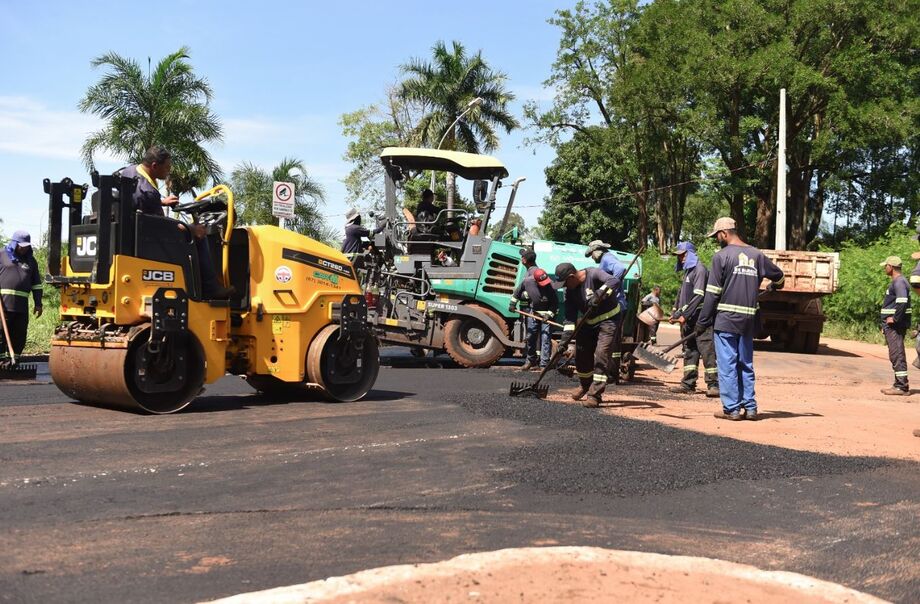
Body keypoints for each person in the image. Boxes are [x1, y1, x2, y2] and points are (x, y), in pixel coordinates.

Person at [697, 217, 784, 421]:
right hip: (748, 321)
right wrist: (775, 286)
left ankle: (732, 409)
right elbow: (779, 277)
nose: (717, 239)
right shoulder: (757, 255)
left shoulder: (721, 257)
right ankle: (750, 408)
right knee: (745, 363)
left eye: (717, 236)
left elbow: (712, 293)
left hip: (726, 320)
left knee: (727, 365)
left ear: (724, 233)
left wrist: (702, 321)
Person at [120, 146, 232, 299]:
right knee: (200, 236)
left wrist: (162, 202)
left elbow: (140, 202)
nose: (168, 171)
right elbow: (161, 226)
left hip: (134, 230)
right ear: (154, 166)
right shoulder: (148, 192)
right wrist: (191, 229)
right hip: (149, 239)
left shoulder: (131, 171)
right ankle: (210, 288)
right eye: (167, 167)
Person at [554, 262, 623, 408]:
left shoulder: (594, 273)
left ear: (572, 277)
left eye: (565, 283)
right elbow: (570, 318)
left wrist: (599, 295)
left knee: (601, 354)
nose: (565, 287)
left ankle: (595, 394)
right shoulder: (570, 292)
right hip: (589, 321)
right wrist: (564, 341)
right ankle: (585, 385)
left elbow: (614, 280)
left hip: (609, 320)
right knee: (582, 353)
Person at [668, 242, 719, 397]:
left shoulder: (699, 270)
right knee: (690, 351)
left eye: (683, 254)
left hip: (700, 319)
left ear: (690, 254)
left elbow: (699, 295)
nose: (681, 258)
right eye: (679, 256)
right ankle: (688, 384)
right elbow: (681, 295)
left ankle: (713, 385)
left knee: (707, 351)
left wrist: (684, 315)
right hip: (689, 320)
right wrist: (675, 313)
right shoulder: (688, 272)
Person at [585, 240, 629, 378]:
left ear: (597, 251)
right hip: (616, 305)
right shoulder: (606, 259)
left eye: (592, 254)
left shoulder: (607, 258)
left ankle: (611, 372)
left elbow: (620, 269)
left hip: (616, 305)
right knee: (614, 342)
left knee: (610, 342)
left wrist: (609, 289)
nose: (592, 258)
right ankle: (613, 372)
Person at [0, 230, 42, 362]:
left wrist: (38, 303)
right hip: (3, 305)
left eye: (26, 246)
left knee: (19, 334)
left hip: (21, 307)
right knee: (0, 334)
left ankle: (13, 362)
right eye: (21, 246)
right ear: (14, 243)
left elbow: (36, 285)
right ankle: (1, 362)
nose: (24, 248)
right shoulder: (2, 255)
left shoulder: (31, 261)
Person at [510, 260, 558, 371]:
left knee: (545, 338)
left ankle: (544, 364)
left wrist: (549, 315)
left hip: (547, 314)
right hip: (534, 313)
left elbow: (555, 303)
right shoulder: (527, 282)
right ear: (535, 281)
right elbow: (517, 293)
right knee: (530, 337)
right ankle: (530, 361)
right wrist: (512, 304)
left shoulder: (550, 285)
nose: (544, 284)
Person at [879, 256, 911, 396]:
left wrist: (895, 319)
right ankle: (899, 384)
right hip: (891, 326)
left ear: (891, 267)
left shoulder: (899, 282)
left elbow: (902, 301)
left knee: (897, 354)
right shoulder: (899, 281)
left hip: (895, 326)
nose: (885, 268)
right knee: (895, 354)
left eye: (886, 266)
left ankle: (901, 386)